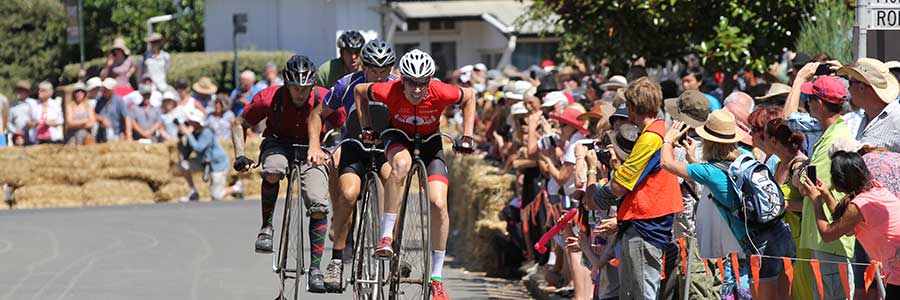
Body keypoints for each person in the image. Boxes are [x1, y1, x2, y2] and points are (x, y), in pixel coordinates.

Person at [354, 49, 477, 300]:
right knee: (401, 164)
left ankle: (437, 278)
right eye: (411, 83)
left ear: (430, 80)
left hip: (431, 143)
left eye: (423, 84)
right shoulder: (388, 90)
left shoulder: (442, 91)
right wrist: (366, 126)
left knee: (438, 203)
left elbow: (470, 96)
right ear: (402, 79)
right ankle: (386, 236)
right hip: (397, 137)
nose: (417, 89)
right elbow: (359, 92)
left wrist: (467, 135)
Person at [662, 110, 796, 299]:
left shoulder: (708, 171)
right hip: (782, 234)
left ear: (707, 142)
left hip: (759, 245)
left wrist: (668, 140)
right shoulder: (744, 159)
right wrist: (694, 160)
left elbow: (667, 164)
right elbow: (722, 183)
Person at [232, 55, 336, 293]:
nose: (300, 94)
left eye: (305, 89)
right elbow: (239, 123)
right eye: (295, 88)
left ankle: (316, 270)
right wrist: (240, 154)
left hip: (312, 148)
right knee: (273, 170)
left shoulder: (323, 96)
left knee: (319, 204)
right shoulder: (269, 97)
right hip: (278, 143)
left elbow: (343, 122)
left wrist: (335, 148)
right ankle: (266, 227)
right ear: (286, 84)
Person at [309, 38, 397, 292]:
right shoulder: (346, 85)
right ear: (364, 67)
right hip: (355, 148)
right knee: (348, 195)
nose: (379, 77)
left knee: (395, 183)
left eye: (384, 71)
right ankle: (337, 260)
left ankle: (394, 246)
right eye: (374, 71)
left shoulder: (398, 87)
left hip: (385, 149)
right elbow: (317, 115)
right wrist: (315, 145)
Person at [587, 77, 684, 300]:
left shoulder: (651, 137)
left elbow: (622, 183)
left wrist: (595, 197)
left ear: (632, 107)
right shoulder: (656, 131)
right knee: (632, 292)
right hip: (644, 220)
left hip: (646, 222)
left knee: (642, 293)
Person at [792, 73, 857, 300]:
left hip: (833, 239)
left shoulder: (834, 138)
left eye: (810, 98)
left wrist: (799, 170)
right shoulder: (831, 133)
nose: (807, 102)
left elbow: (807, 182)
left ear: (819, 104)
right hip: (827, 235)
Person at [800, 150, 900, 298]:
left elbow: (828, 234)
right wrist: (826, 194)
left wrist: (816, 201)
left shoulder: (859, 205)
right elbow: (847, 227)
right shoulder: (875, 189)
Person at [760, 117, 815, 300]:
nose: (762, 141)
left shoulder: (799, 166)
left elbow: (813, 200)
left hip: (800, 241)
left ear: (774, 141)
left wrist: (786, 204)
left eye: (764, 137)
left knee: (802, 292)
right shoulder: (778, 164)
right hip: (782, 241)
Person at [835, 58, 900, 152]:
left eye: (850, 83)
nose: (848, 89)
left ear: (861, 87)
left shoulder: (897, 118)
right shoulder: (867, 117)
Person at [177, 109, 240, 201]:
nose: (188, 124)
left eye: (191, 122)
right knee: (183, 165)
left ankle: (236, 187)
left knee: (216, 196)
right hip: (204, 162)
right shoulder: (193, 134)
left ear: (197, 123)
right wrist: (181, 137)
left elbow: (198, 148)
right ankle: (192, 191)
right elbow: (186, 154)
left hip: (217, 164)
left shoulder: (207, 132)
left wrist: (188, 134)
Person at [94, 78, 130, 142]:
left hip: (114, 133)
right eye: (103, 88)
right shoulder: (99, 100)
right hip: (100, 132)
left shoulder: (119, 100)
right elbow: (93, 114)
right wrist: (102, 119)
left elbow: (127, 117)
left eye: (107, 89)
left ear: (112, 90)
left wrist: (128, 134)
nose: (104, 91)